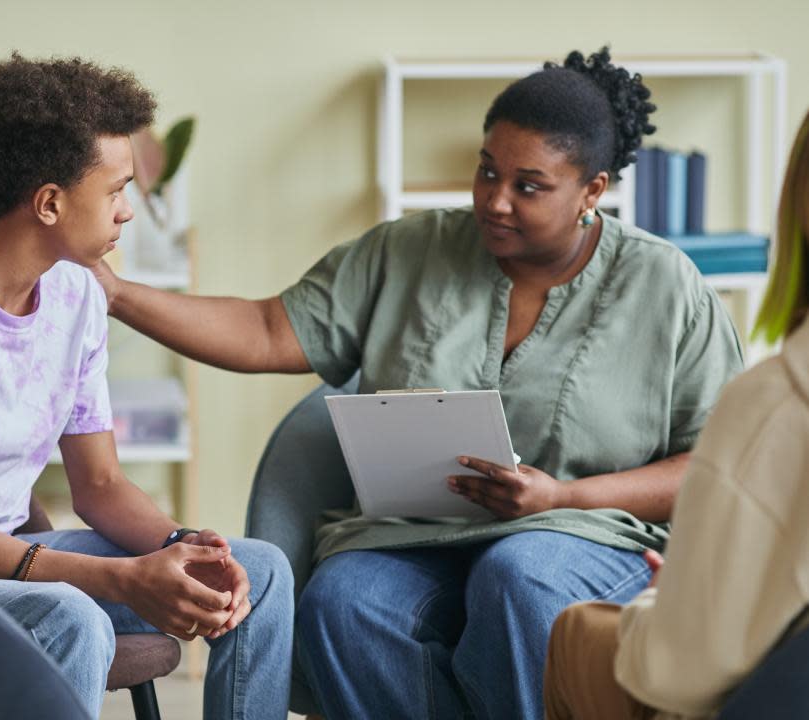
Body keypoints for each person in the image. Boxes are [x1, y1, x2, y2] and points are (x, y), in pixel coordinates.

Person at [92, 47, 744, 719]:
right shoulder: (408, 250)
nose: (495, 200)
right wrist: (115, 295)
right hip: (413, 534)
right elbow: (266, 329)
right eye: (487, 171)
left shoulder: (667, 288)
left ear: (593, 191)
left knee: (516, 575)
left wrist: (565, 494)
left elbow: (715, 465)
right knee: (346, 601)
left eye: (529, 186)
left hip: (584, 534)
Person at [0, 53, 293, 720]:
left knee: (258, 571)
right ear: (50, 202)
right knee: (72, 618)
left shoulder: (77, 294)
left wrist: (187, 547)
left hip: (2, 551)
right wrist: (122, 577)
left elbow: (100, 486)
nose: (126, 213)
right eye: (116, 191)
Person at [543, 108, 809, 720]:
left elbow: (678, 675)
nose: (501, 204)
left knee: (575, 627)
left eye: (531, 185)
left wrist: (658, 605)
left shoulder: (774, 406)